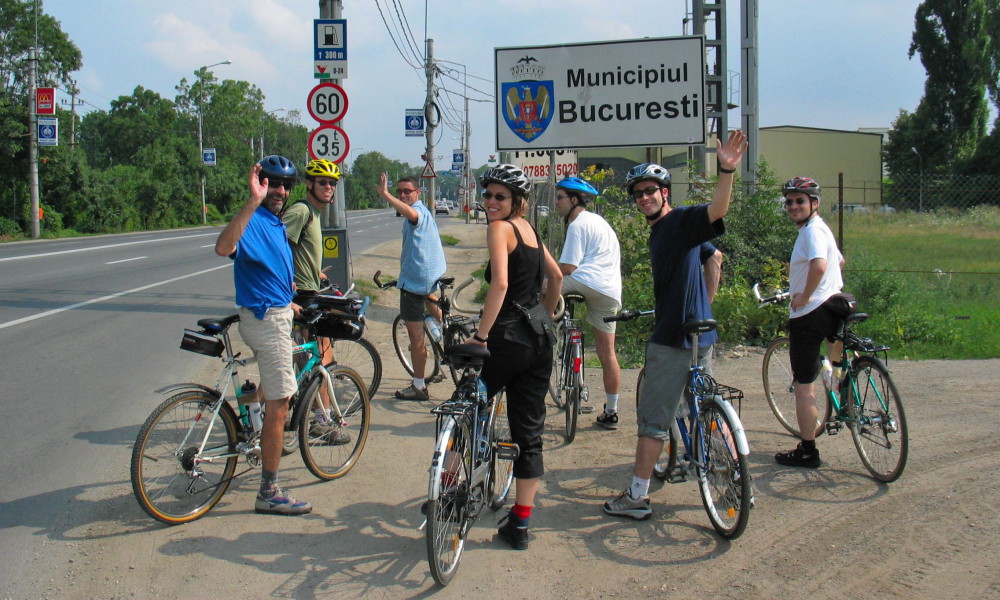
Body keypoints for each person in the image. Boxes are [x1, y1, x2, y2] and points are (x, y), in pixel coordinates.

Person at [603, 130, 747, 521]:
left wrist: (726, 170)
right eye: (638, 193)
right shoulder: (675, 232)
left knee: (652, 422)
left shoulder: (678, 223)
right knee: (704, 406)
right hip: (703, 333)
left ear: (666, 193)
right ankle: (734, 480)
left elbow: (717, 211)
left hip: (672, 338)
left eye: (651, 190)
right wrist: (704, 304)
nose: (644, 197)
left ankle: (636, 497)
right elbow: (714, 258)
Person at [466, 164, 562, 550]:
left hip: (506, 336)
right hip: (539, 340)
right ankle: (520, 524)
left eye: (499, 196)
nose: (491, 202)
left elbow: (501, 284)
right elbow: (554, 279)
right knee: (529, 432)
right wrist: (544, 312)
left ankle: (451, 488)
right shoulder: (531, 233)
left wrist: (480, 335)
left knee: (468, 403)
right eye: (487, 194)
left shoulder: (500, 229)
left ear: (517, 202)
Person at [214, 155, 311, 516]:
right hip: (266, 320)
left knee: (274, 388)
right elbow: (224, 248)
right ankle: (269, 491)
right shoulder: (254, 219)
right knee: (282, 403)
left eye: (286, 185)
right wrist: (253, 199)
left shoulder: (274, 223)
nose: (280, 190)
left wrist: (292, 299)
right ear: (260, 181)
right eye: (272, 182)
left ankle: (253, 413)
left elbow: (272, 271)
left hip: (277, 311)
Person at [774, 176, 845, 469]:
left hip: (810, 314)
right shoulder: (823, 228)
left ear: (813, 203)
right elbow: (839, 263)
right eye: (789, 202)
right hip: (835, 305)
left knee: (804, 387)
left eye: (799, 201)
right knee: (834, 360)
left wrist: (803, 295)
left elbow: (820, 265)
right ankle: (843, 392)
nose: (793, 206)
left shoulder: (810, 232)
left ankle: (807, 450)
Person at [281, 158, 347, 443]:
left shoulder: (314, 212)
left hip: (309, 288)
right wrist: (286, 283)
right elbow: (276, 246)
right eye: (323, 182)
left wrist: (313, 270)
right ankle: (322, 421)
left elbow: (297, 250)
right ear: (309, 183)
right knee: (321, 358)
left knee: (306, 358)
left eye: (333, 183)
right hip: (300, 295)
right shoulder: (301, 210)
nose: (329, 187)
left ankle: (300, 413)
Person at [552, 176, 623, 429]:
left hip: (584, 281)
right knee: (607, 353)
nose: (556, 203)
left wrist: (547, 272)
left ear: (574, 200)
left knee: (545, 286)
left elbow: (569, 267)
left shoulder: (577, 224)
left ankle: (543, 328)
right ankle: (612, 410)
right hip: (610, 290)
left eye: (560, 197)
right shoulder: (599, 222)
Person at [377, 173, 446, 401]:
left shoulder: (417, 213)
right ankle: (447, 337)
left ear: (418, 193)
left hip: (415, 284)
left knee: (416, 339)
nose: (403, 195)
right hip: (428, 279)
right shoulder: (426, 213)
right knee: (436, 307)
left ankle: (419, 386)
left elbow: (410, 213)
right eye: (399, 192)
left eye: (408, 191)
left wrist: (386, 195)